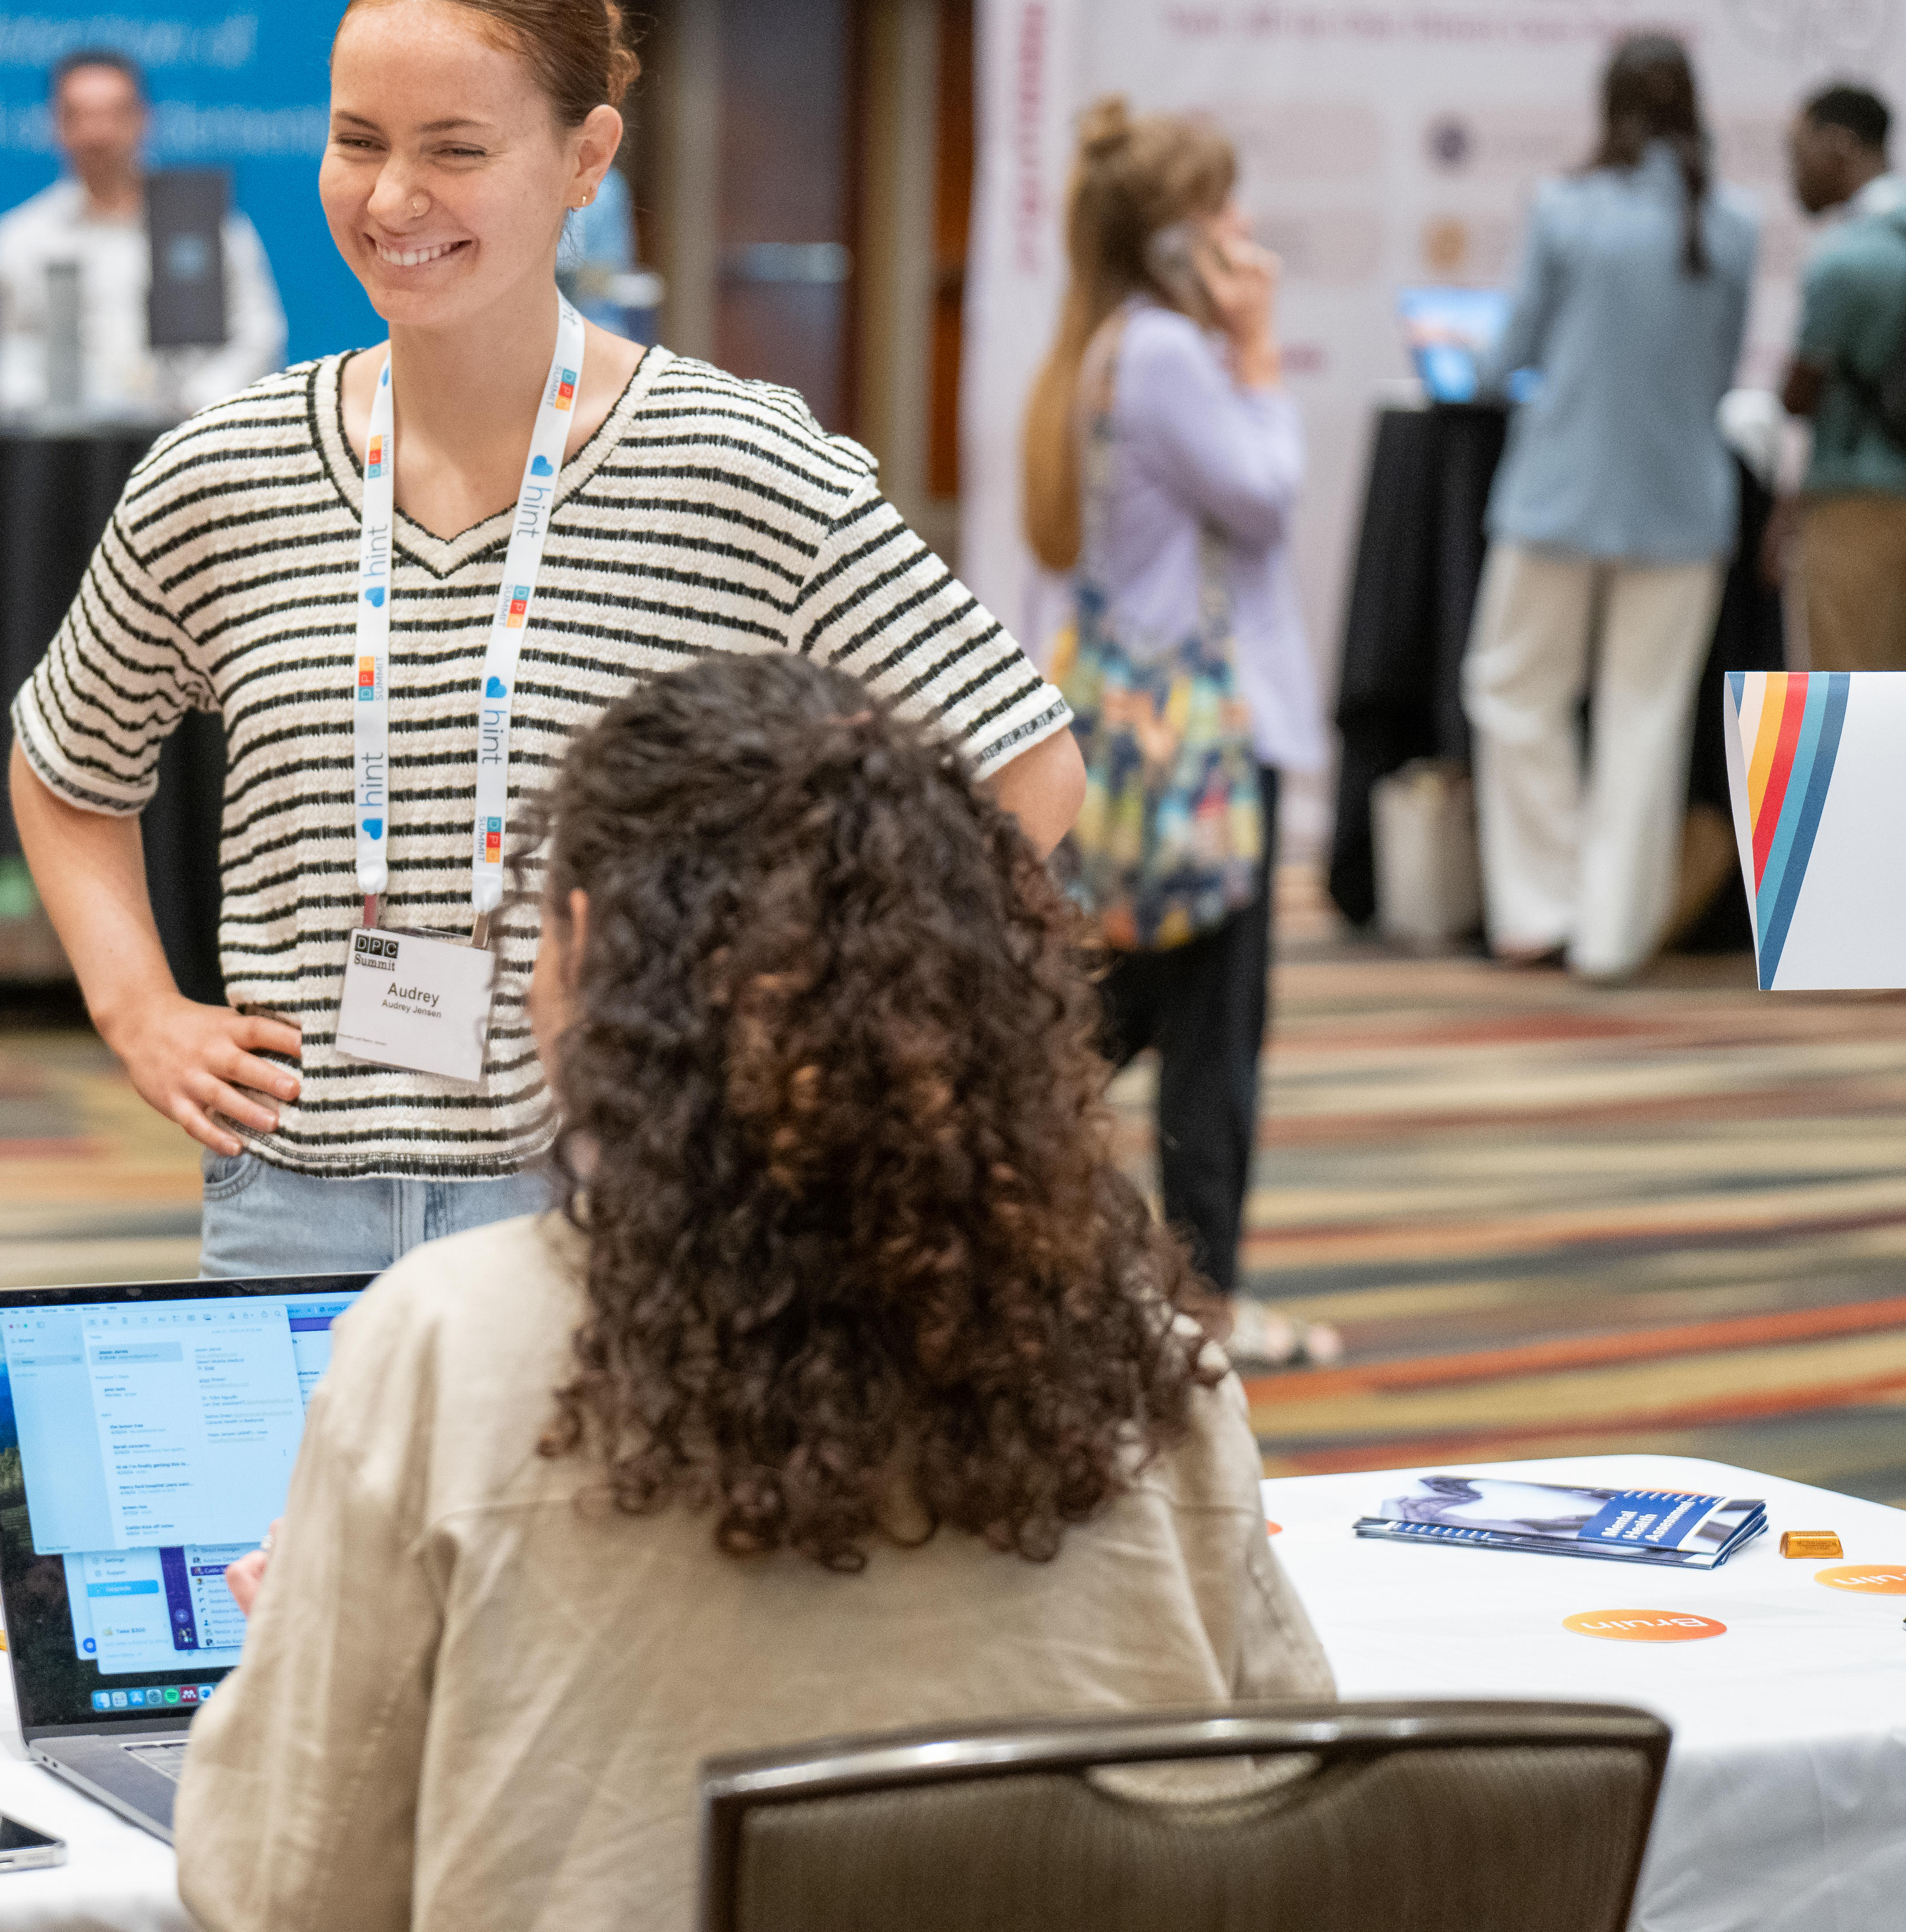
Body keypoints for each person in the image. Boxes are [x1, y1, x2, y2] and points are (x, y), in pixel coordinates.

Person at [174, 654, 1330, 1932]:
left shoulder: (451, 1345)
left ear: (590, 944)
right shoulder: (1149, 1362)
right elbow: (1300, 1824)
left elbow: (279, 1891)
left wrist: (308, 1645)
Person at [11, 0, 1081, 1280]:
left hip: (614, 1203)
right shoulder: (223, 471)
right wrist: (137, 1007)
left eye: (455, 148)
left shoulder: (740, 462)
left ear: (586, 157)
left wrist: (796, 1030)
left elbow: (1026, 767)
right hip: (291, 1206)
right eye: (357, 141)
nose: (393, 199)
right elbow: (67, 765)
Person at [1019, 97, 1335, 1371]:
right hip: (1199, 736)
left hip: (1150, 731)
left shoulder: (1111, 344)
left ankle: (997, 1188)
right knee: (1208, 1028)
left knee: (1125, 1006)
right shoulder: (1164, 353)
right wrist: (1258, 350)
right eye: (1222, 218)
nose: (1247, 235)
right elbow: (1264, 496)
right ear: (1173, 246)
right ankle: (1204, 1294)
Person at [1469, 35, 1756, 980]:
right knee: (1645, 714)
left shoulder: (1564, 210)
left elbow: (1506, 352)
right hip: (1683, 502)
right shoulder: (1734, 224)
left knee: (1514, 690)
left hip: (1558, 493)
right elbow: (1718, 373)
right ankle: (1611, 932)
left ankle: (1537, 907)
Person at [0, 49, 284, 422]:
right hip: (66, 454)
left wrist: (198, 411)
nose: (97, 134)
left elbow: (258, 334)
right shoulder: (22, 238)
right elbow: (6, 354)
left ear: (143, 119)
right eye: (79, 116)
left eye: (112, 114)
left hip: (194, 441)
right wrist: (45, 414)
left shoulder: (209, 224)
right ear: (56, 124)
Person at [1779, 83, 1906, 669]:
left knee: (1842, 683)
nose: (1793, 171)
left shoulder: (1845, 259)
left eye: (1798, 150)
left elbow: (1798, 397)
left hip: (1853, 495)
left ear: (1839, 145)